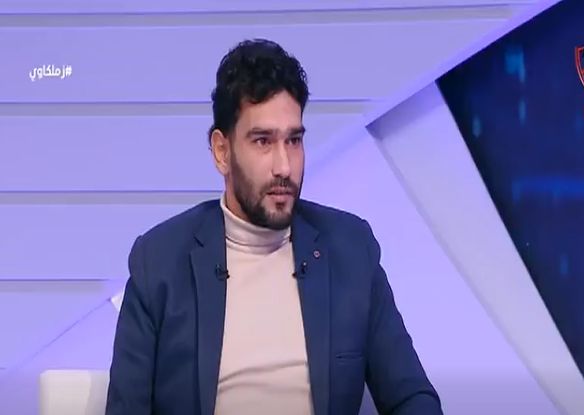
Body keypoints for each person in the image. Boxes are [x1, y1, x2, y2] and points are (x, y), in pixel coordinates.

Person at [106, 38, 441, 415]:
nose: (284, 166)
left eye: (294, 140)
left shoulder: (350, 249)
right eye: (263, 141)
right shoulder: (159, 262)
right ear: (222, 151)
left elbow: (412, 397)